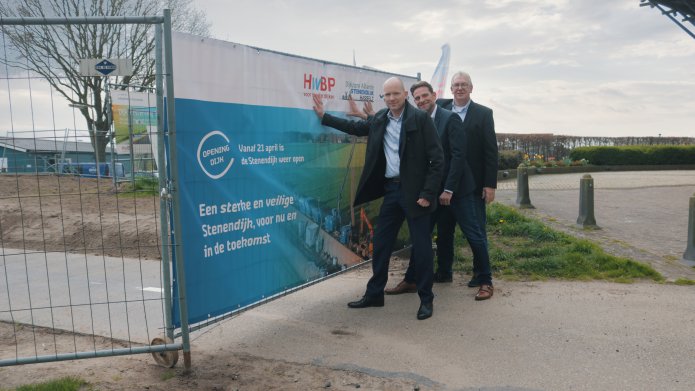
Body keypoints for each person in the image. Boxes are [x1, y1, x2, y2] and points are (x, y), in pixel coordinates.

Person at [312, 77, 444, 320]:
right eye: (387, 95)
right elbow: (356, 128)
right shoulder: (381, 118)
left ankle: (426, 299)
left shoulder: (420, 119)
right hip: (392, 192)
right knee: (381, 244)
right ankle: (375, 294)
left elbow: (437, 160)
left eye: (396, 93)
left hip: (416, 195)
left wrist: (428, 194)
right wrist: (324, 117)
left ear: (405, 94)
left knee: (423, 248)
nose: (392, 98)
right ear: (382, 97)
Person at [382, 80, 494, 301]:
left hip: (458, 189)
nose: (422, 100)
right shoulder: (415, 118)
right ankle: (412, 279)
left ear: (434, 96)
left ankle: (486, 281)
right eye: (417, 98)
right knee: (421, 235)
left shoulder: (449, 118)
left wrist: (449, 189)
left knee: (475, 235)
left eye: (425, 96)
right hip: (432, 190)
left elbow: (459, 157)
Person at [435, 71, 497, 300]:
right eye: (456, 85)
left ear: (471, 88)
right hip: (444, 184)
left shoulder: (483, 114)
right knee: (444, 232)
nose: (459, 88)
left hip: (470, 186)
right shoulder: (440, 107)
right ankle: (443, 272)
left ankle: (483, 278)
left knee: (475, 233)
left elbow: (491, 152)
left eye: (464, 85)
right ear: (450, 89)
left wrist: (490, 185)